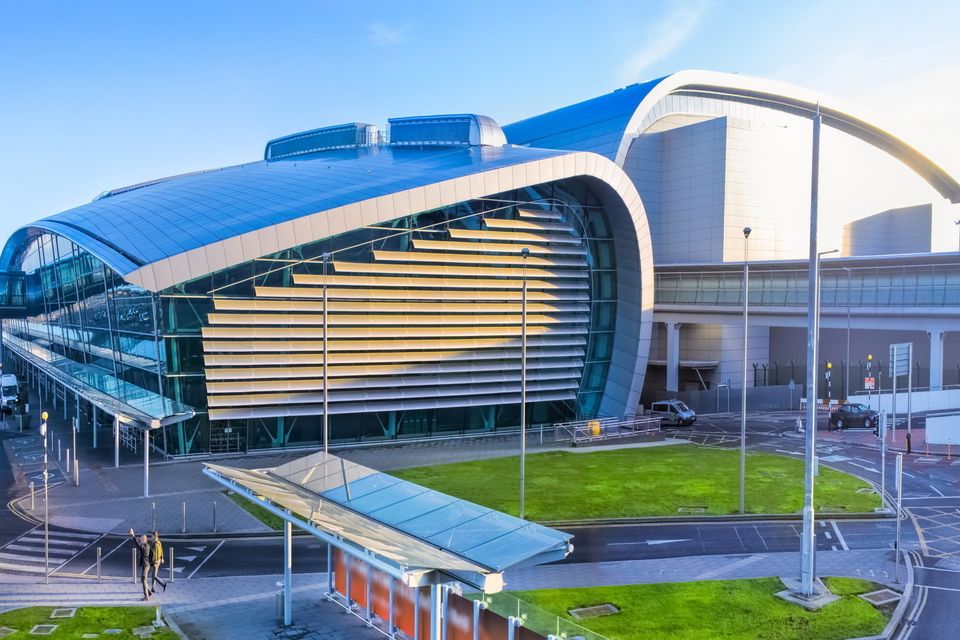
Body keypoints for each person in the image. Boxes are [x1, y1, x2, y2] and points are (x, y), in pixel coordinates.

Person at [128, 528, 152, 601]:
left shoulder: (143, 547)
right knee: (143, 579)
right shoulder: (147, 545)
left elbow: (137, 544)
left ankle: (146, 596)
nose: (140, 540)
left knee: (144, 580)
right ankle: (149, 592)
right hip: (147, 564)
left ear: (143, 540)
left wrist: (133, 535)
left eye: (141, 539)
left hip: (145, 565)